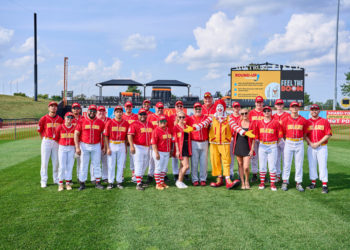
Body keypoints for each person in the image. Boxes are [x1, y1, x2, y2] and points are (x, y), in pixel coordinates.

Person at [190, 99, 255, 189]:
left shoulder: (228, 118)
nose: (219, 108)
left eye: (221, 107)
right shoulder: (211, 117)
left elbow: (235, 127)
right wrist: (194, 128)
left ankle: (228, 179)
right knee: (215, 161)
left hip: (224, 143)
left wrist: (244, 132)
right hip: (214, 143)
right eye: (218, 107)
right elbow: (202, 124)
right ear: (216, 108)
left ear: (224, 108)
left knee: (226, 161)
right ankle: (219, 178)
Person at [74, 104, 105, 191]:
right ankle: (82, 183)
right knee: (83, 164)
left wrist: (104, 146)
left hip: (96, 145)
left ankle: (97, 182)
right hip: (84, 145)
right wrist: (77, 147)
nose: (92, 112)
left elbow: (104, 135)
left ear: (96, 112)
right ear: (87, 111)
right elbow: (76, 134)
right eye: (91, 111)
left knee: (96, 164)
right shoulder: (82, 121)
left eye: (94, 111)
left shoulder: (100, 122)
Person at [281, 102, 309, 192]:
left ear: (298, 108)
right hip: (288, 142)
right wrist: (287, 140)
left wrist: (300, 139)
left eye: (296, 107)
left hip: (299, 142)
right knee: (286, 163)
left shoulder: (303, 120)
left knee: (299, 164)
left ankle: (298, 182)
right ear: (290, 108)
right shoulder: (285, 119)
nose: (294, 108)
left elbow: (305, 132)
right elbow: (283, 132)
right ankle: (285, 181)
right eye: (293, 107)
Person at [305, 104, 332, 194]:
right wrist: (310, 143)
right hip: (311, 146)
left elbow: (328, 134)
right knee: (312, 165)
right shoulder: (307, 122)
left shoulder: (324, 121)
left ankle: (324, 185)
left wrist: (317, 143)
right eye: (312, 109)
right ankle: (313, 183)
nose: (314, 111)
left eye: (316, 109)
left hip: (322, 147)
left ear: (319, 111)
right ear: (310, 111)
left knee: (322, 165)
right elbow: (304, 135)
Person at [254, 106, 282, 191]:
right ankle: (262, 183)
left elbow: (280, 136)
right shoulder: (259, 123)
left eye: (268, 111)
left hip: (272, 145)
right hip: (262, 145)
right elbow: (256, 135)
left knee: (272, 165)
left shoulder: (276, 122)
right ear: (262, 113)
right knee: (262, 165)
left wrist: (275, 144)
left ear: (271, 112)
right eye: (265, 111)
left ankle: (272, 184)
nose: (266, 112)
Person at [37, 101, 63, 188]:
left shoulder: (60, 119)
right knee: (44, 162)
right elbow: (39, 131)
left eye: (55, 106)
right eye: (51, 106)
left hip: (56, 142)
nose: (53, 108)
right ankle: (43, 180)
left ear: (57, 108)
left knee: (56, 162)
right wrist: (44, 139)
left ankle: (56, 179)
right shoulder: (43, 118)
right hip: (47, 141)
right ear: (49, 108)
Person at [128, 108, 154, 191]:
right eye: (141, 114)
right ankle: (138, 183)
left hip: (147, 147)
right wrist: (132, 146)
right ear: (138, 115)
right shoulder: (134, 124)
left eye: (144, 114)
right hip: (138, 146)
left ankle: (140, 180)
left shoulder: (150, 124)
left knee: (145, 164)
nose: (142, 116)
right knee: (139, 164)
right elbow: (129, 135)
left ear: (146, 115)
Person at [104, 106, 129, 190]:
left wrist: (125, 147)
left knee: (120, 164)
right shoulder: (109, 122)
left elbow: (126, 137)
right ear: (114, 113)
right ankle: (110, 182)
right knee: (111, 164)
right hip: (112, 144)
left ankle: (119, 181)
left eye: (120, 111)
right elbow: (106, 136)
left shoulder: (126, 123)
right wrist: (107, 148)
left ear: (122, 113)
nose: (119, 113)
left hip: (121, 144)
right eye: (117, 111)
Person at [232, 108, 255, 189]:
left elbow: (253, 138)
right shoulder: (237, 123)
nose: (244, 115)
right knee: (240, 165)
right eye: (242, 114)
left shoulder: (252, 123)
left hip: (247, 147)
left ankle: (247, 181)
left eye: (246, 113)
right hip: (238, 146)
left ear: (248, 113)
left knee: (246, 167)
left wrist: (252, 149)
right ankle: (242, 182)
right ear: (240, 115)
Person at [168, 100, 191, 181]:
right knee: (175, 156)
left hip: (183, 139)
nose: (179, 107)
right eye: (178, 106)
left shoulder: (187, 117)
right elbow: (169, 128)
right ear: (175, 107)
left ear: (183, 107)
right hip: (174, 138)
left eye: (181, 106)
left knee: (184, 157)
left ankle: (186, 174)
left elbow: (189, 128)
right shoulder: (171, 117)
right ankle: (175, 173)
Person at [188, 102, 209, 186]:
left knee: (204, 162)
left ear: (202, 109)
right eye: (196, 108)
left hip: (204, 141)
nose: (198, 110)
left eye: (199, 108)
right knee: (194, 162)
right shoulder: (190, 118)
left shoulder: (206, 118)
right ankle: (195, 179)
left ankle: (203, 179)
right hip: (194, 142)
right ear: (193, 109)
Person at [151, 115, 172, 190]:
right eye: (161, 121)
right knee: (158, 168)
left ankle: (162, 182)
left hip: (166, 152)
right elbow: (154, 143)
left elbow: (170, 141)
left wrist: (170, 151)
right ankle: (158, 184)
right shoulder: (155, 130)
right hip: (159, 152)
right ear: (158, 122)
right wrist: (156, 153)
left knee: (164, 168)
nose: (163, 123)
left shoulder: (168, 130)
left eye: (164, 121)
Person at [55, 112, 75, 191]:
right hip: (62, 148)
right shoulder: (59, 127)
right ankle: (60, 184)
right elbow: (56, 138)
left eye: (71, 118)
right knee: (62, 166)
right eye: (68, 117)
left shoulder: (74, 128)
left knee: (70, 166)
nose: (69, 119)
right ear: (64, 117)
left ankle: (67, 183)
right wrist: (61, 145)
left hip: (71, 147)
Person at [272, 99, 290, 182]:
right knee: (276, 158)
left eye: (280, 104)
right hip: (276, 139)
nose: (279, 106)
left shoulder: (287, 115)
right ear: (275, 106)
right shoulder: (273, 116)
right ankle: (278, 175)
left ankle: (285, 177)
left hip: (285, 138)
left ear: (283, 105)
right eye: (277, 104)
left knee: (286, 159)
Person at [173, 111, 192, 189]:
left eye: (183, 117)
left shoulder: (187, 126)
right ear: (177, 117)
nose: (181, 118)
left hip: (187, 147)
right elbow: (176, 140)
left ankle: (180, 181)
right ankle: (179, 181)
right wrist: (177, 150)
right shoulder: (175, 127)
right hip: (181, 148)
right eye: (180, 117)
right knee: (186, 166)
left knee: (182, 166)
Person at [122, 101, 138, 183]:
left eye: (130, 106)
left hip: (133, 140)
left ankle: (134, 175)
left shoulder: (136, 116)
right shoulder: (122, 116)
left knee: (134, 158)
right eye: (127, 107)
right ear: (125, 108)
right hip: (123, 141)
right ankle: (121, 175)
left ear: (132, 107)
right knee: (122, 159)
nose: (128, 108)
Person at [249, 96, 264, 182]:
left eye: (260, 102)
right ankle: (254, 174)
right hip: (253, 138)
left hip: (262, 138)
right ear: (255, 103)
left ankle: (263, 174)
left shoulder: (265, 112)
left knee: (263, 157)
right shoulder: (251, 113)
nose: (259, 104)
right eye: (257, 102)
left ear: (263, 103)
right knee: (254, 156)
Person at [95, 105, 111, 183]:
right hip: (96, 144)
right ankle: (94, 177)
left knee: (105, 162)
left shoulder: (109, 120)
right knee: (95, 162)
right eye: (99, 111)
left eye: (102, 111)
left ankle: (105, 177)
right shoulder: (94, 120)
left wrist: (106, 146)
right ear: (97, 112)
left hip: (106, 144)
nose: (101, 112)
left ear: (105, 112)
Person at [229, 102, 242, 181]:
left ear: (239, 108)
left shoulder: (242, 116)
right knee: (230, 157)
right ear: (232, 108)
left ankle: (240, 174)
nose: (236, 108)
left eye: (237, 107)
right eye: (235, 107)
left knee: (239, 158)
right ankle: (230, 173)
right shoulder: (229, 117)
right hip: (231, 138)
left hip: (239, 139)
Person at [71, 102, 83, 182]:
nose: (76, 110)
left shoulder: (83, 118)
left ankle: (79, 177)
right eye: (74, 108)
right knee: (70, 162)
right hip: (70, 143)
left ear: (80, 109)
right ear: (72, 109)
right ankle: (69, 178)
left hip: (80, 142)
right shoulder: (69, 118)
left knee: (80, 162)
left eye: (77, 108)